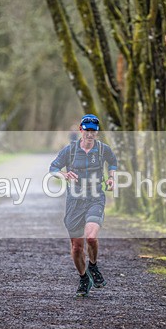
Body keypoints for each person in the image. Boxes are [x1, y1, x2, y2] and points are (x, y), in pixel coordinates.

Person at [49, 114, 118, 297]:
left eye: (93, 131)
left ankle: (93, 267)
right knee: (77, 246)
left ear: (97, 132)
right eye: (86, 130)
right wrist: (63, 175)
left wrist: (111, 178)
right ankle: (83, 278)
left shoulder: (103, 149)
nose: (89, 134)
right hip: (75, 199)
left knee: (91, 237)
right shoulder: (70, 151)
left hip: (95, 196)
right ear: (81, 130)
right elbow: (53, 169)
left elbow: (113, 162)